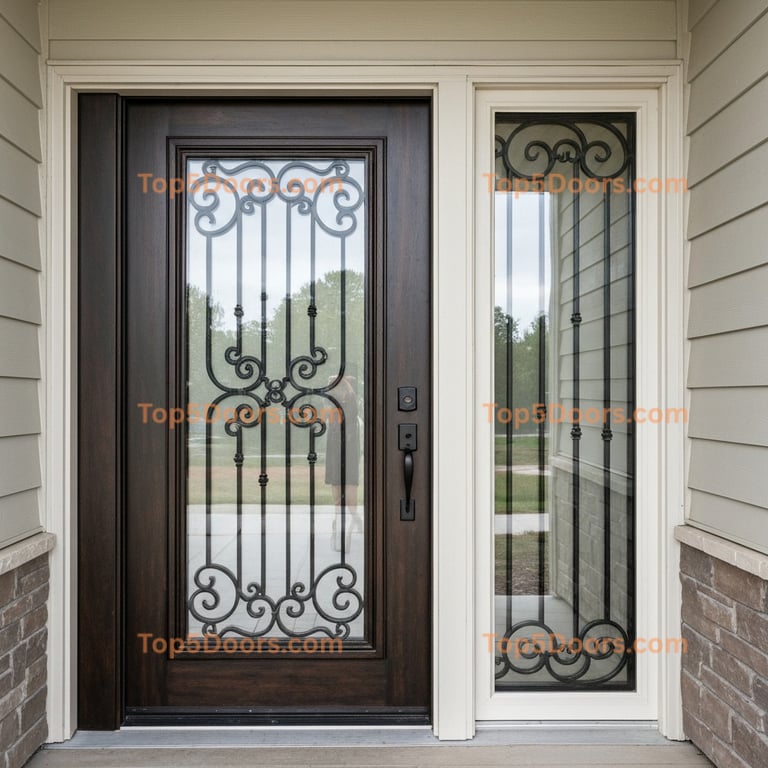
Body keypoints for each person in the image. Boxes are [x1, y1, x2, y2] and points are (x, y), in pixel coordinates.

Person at [324, 373, 361, 552]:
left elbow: (353, 411)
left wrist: (347, 386)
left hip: (351, 445)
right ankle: (338, 528)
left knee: (351, 488)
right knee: (337, 489)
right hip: (335, 445)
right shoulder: (331, 401)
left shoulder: (352, 399)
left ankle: (353, 521)